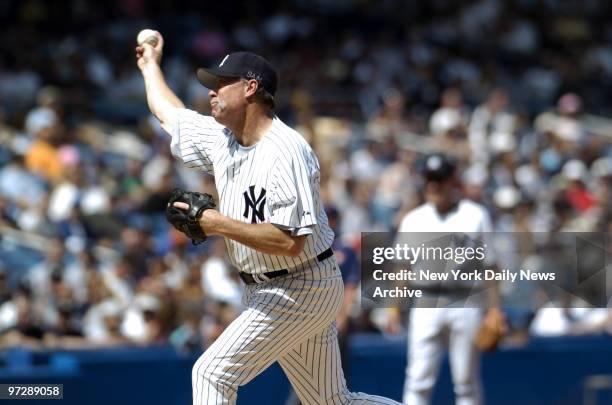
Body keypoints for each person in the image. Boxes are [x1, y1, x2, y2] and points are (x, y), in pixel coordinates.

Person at [136, 31, 401, 405]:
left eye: (221, 84)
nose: (212, 91)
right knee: (330, 401)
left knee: (211, 374)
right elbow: (171, 115)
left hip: (302, 283)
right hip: (269, 286)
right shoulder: (222, 139)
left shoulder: (286, 151)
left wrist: (214, 223)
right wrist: (150, 67)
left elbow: (289, 242)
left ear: (250, 88)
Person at [389, 153, 505, 405]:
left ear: (453, 181)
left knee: (466, 382)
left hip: (465, 302)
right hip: (425, 302)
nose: (434, 185)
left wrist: (495, 309)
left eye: (439, 178)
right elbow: (402, 267)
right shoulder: (414, 219)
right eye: (430, 179)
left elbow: (490, 266)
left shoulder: (475, 215)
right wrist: (394, 307)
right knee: (418, 379)